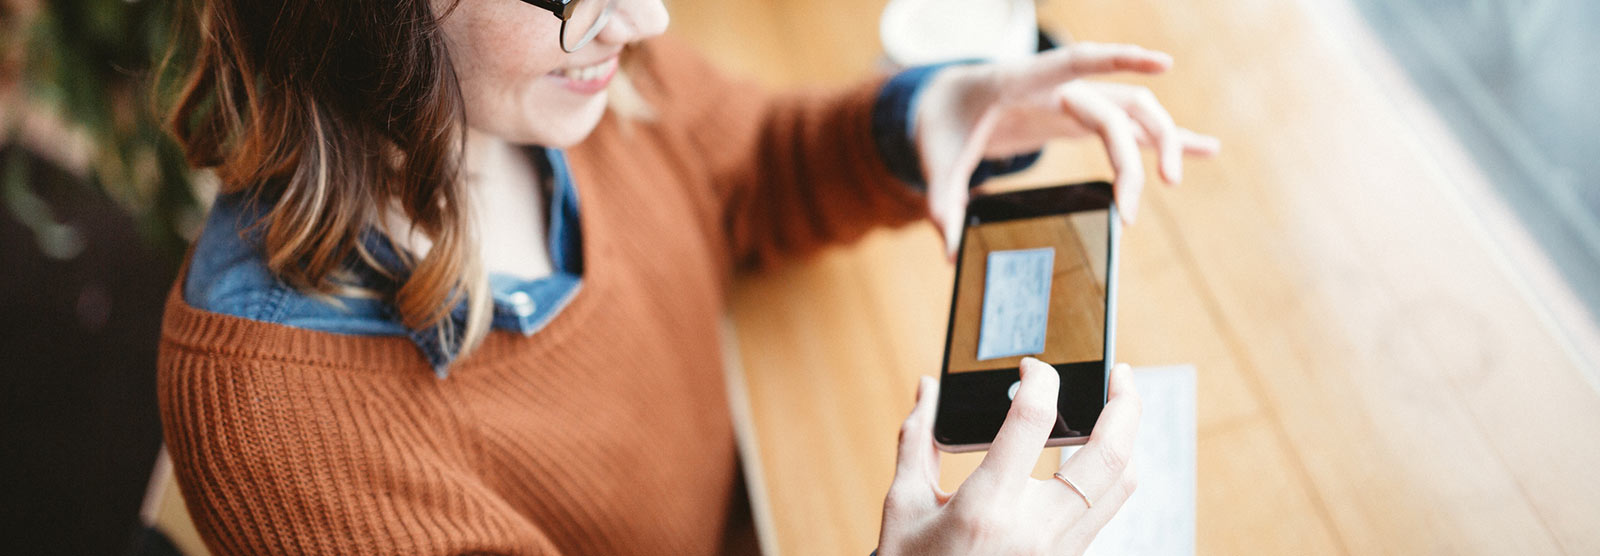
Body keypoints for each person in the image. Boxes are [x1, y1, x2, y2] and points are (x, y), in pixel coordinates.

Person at [156, 0, 1219, 553]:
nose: (652, 21)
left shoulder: (562, 76)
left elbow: (744, 163)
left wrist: (923, 118)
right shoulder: (279, 428)